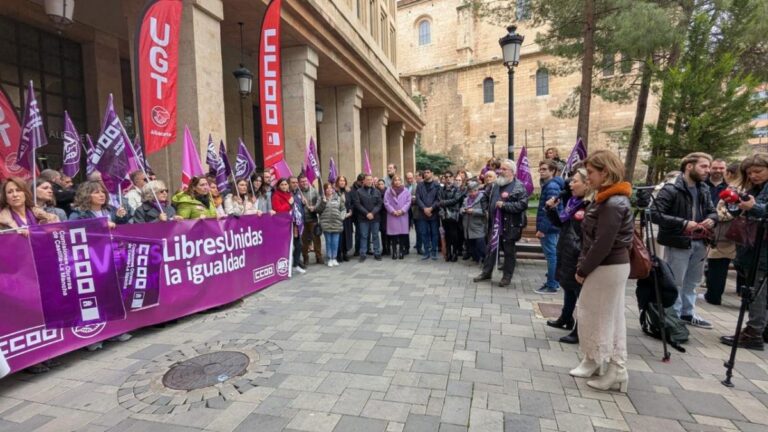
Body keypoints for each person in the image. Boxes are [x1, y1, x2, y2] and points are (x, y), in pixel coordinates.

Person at [570, 150, 633, 393]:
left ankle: (617, 367)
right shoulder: (606, 198)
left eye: (593, 173)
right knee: (593, 314)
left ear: (605, 172)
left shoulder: (614, 202)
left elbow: (603, 243)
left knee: (606, 316)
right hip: (605, 265)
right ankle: (594, 359)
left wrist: (583, 269)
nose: (589, 178)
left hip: (607, 266)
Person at [651, 152, 717, 329]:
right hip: (678, 241)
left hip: (700, 241)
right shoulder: (670, 188)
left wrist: (712, 219)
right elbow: (654, 214)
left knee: (694, 280)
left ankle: (687, 313)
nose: (708, 171)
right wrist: (684, 223)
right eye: (703, 166)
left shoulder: (703, 188)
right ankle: (672, 315)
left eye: (708, 167)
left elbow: (712, 210)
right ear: (689, 166)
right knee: (676, 280)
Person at [721, 153, 768, 350]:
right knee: (759, 289)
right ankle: (760, 329)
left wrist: (753, 207)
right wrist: (735, 202)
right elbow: (741, 211)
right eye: (750, 173)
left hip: (763, 249)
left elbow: (762, 211)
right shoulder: (755, 189)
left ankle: (753, 332)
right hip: (753, 247)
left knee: (757, 291)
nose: (754, 175)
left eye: (758, 171)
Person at [545, 168, 590, 344]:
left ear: (587, 183)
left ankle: (580, 329)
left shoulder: (588, 204)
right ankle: (565, 317)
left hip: (577, 251)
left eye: (575, 181)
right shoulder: (573, 202)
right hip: (565, 247)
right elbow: (560, 223)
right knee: (568, 285)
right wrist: (550, 209)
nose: (570, 184)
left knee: (581, 292)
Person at [473, 159, 529, 286]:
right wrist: (486, 210)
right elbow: (484, 199)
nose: (500, 171)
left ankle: (506, 277)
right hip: (494, 225)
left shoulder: (519, 186)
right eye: (500, 169)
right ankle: (486, 272)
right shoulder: (494, 185)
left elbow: (522, 204)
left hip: (510, 226)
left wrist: (505, 206)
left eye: (504, 169)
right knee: (490, 249)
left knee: (509, 252)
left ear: (512, 172)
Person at [536, 160, 565, 294]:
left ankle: (552, 284)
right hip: (552, 226)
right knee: (553, 255)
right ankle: (554, 281)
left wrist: (543, 229)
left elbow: (551, 208)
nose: (541, 171)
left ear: (552, 171)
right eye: (540, 169)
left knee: (551, 256)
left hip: (550, 227)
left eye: (544, 169)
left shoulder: (552, 186)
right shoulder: (549, 185)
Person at [272, 178, 305, 274]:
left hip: (294, 223)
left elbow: (295, 208)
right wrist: (288, 203)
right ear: (278, 186)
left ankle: (295, 264)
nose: (284, 186)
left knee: (298, 245)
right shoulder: (276, 196)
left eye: (285, 184)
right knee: (287, 246)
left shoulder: (290, 194)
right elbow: (278, 210)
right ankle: (284, 267)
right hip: (284, 225)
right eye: (282, 184)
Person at [351, 174, 383, 261]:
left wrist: (372, 213)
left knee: (376, 235)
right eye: (367, 180)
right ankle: (363, 254)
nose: (369, 181)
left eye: (370, 180)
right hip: (363, 218)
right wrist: (367, 213)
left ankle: (377, 253)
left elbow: (379, 204)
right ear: (363, 181)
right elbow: (357, 204)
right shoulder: (359, 191)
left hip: (375, 217)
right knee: (364, 236)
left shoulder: (377, 191)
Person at [316, 182, 345, 267]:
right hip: (326, 224)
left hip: (337, 223)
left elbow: (343, 209)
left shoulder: (338, 198)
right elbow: (317, 210)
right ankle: (329, 258)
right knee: (328, 242)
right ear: (324, 190)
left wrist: (342, 217)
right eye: (327, 188)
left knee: (335, 242)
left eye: (330, 188)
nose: (329, 190)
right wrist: (323, 202)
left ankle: (334, 258)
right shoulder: (321, 198)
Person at [438, 170, 465, 262]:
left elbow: (456, 200)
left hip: (454, 214)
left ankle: (455, 252)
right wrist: (442, 207)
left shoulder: (457, 189)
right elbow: (439, 201)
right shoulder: (441, 189)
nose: (448, 179)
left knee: (454, 234)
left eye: (450, 177)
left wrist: (443, 203)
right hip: (444, 214)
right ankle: (448, 252)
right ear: (444, 179)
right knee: (447, 234)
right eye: (446, 177)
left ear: (453, 178)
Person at [416, 168, 441, 260]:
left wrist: (431, 208)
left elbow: (438, 199)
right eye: (424, 172)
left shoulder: (437, 185)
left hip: (433, 213)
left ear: (432, 173)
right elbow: (418, 199)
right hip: (422, 213)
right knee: (424, 233)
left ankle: (434, 252)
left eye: (428, 172)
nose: (426, 174)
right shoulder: (419, 185)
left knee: (434, 233)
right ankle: (426, 252)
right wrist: (424, 208)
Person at [384, 175, 411, 260]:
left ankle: (401, 252)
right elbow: (386, 202)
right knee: (394, 235)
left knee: (402, 235)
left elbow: (408, 202)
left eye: (399, 180)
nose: (397, 181)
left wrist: (402, 210)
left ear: (401, 181)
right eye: (395, 180)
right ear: (393, 182)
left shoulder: (406, 191)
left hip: (403, 215)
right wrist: (393, 211)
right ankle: (394, 252)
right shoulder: (388, 191)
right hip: (393, 215)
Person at [298, 175, 323, 265]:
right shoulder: (298, 192)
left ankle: (319, 256)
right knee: (304, 240)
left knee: (316, 238)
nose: (304, 183)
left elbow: (319, 201)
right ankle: (305, 257)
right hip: (302, 219)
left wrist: (314, 207)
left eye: (305, 181)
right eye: (302, 181)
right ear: (299, 183)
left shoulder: (314, 191)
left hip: (312, 218)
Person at [461, 180, 487, 264]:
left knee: (480, 243)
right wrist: (463, 210)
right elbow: (461, 209)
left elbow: (485, 212)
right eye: (470, 191)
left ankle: (485, 259)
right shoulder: (466, 199)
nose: (472, 193)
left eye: (474, 191)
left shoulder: (482, 198)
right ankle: (476, 258)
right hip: (467, 225)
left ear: (477, 190)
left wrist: (473, 211)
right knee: (471, 245)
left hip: (478, 225)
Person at [289, 176, 308, 272]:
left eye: (296, 182)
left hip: (299, 223)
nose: (295, 184)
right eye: (293, 182)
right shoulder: (287, 194)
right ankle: (293, 263)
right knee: (295, 245)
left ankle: (295, 263)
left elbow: (299, 207)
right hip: (291, 225)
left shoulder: (298, 193)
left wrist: (303, 203)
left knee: (299, 245)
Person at [335, 176, 354, 262]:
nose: (342, 182)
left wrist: (351, 212)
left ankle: (345, 253)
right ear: (337, 182)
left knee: (347, 235)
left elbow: (353, 202)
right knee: (339, 236)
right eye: (340, 181)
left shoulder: (348, 192)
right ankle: (338, 254)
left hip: (347, 217)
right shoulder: (335, 192)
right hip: (337, 217)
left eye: (343, 181)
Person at [406, 171, 421, 255]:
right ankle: (406, 247)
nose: (409, 180)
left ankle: (419, 247)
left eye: (411, 178)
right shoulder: (404, 187)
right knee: (405, 230)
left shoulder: (418, 186)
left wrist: (414, 198)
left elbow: (420, 198)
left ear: (414, 178)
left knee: (419, 230)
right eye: (408, 178)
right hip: (407, 211)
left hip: (416, 211)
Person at [376, 179, 390, 256]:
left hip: (387, 214)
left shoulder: (388, 192)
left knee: (388, 232)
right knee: (383, 232)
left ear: (384, 184)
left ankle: (388, 248)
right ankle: (384, 248)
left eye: (382, 184)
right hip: (379, 215)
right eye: (379, 184)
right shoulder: (376, 192)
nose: (381, 185)